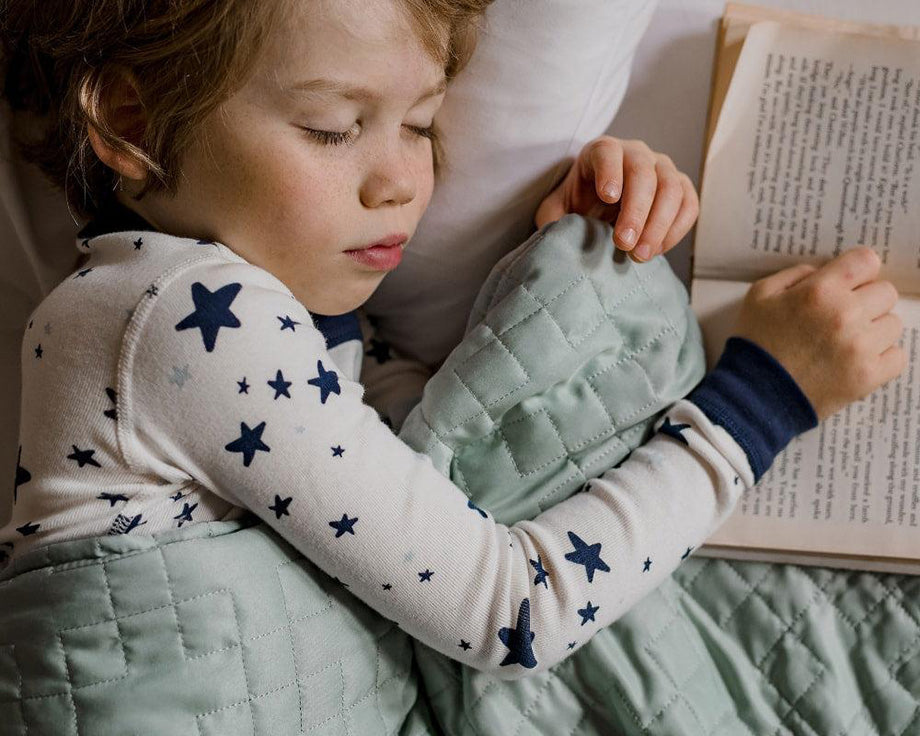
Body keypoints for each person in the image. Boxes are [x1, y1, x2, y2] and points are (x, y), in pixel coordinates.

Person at [0, 0, 904, 683]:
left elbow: (427, 481)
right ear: (131, 123)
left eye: (423, 124)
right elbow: (513, 612)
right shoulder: (185, 316)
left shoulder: (252, 318)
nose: (401, 179)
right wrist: (767, 397)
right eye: (333, 128)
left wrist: (564, 271)